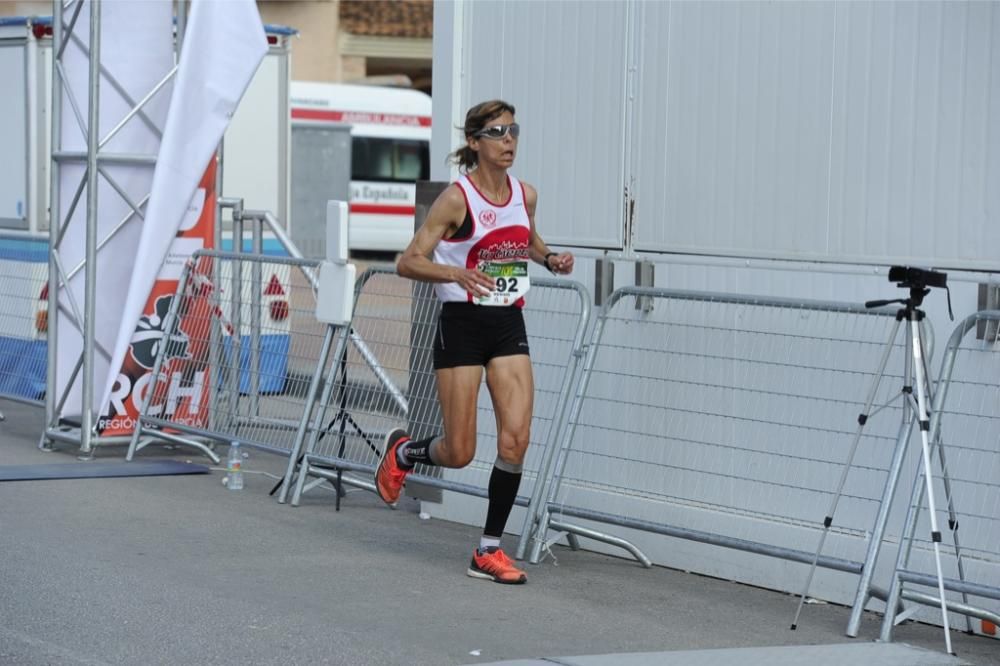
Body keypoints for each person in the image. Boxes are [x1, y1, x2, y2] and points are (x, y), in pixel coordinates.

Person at [374, 100, 574, 584]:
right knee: (459, 451)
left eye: (514, 131)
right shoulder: (455, 200)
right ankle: (404, 453)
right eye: (497, 132)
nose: (509, 141)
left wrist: (550, 260)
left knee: (516, 439)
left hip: (507, 323)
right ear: (474, 141)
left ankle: (488, 549)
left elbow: (525, 237)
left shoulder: (524, 195)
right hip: (461, 323)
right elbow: (408, 261)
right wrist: (455, 272)